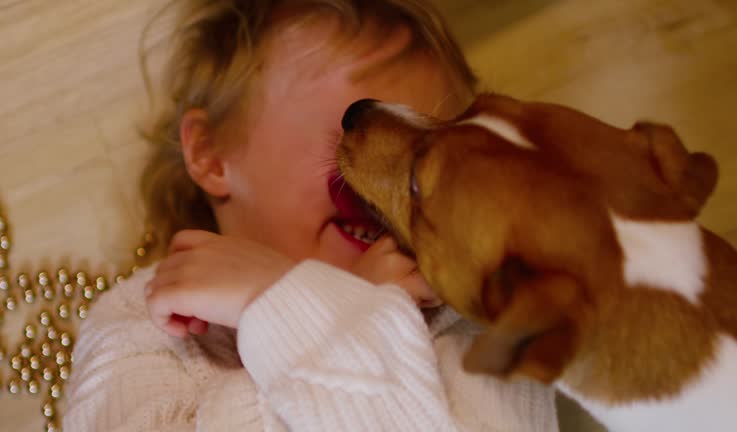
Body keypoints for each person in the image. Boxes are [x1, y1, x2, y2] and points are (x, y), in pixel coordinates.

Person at [63, 1, 558, 430]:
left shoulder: (469, 311)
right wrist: (309, 312)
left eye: (431, 158)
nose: (402, 192)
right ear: (211, 154)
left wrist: (327, 306)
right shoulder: (143, 323)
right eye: (353, 139)